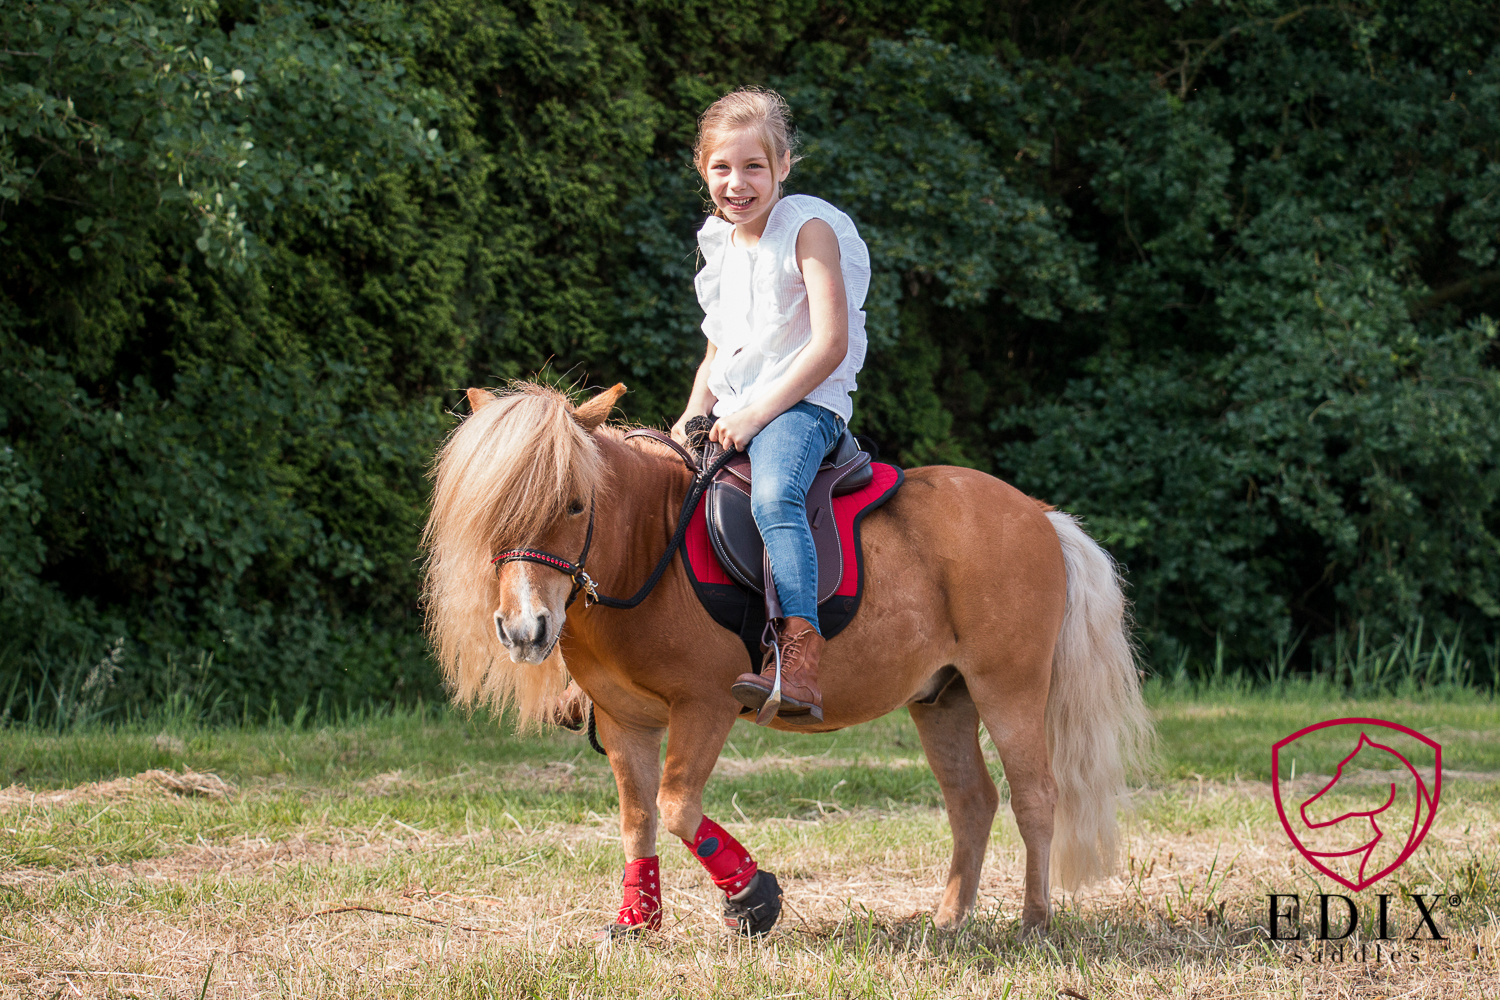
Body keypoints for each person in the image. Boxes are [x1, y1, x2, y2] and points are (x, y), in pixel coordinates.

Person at [670, 88, 871, 723]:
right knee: (648, 483)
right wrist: (684, 423)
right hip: (735, 404)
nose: (738, 183)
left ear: (784, 164)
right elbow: (716, 354)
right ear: (704, 171)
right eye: (722, 168)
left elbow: (831, 343)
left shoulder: (808, 231)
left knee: (774, 493)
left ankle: (798, 653)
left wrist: (757, 414)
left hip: (803, 403)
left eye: (754, 166)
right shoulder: (721, 245)